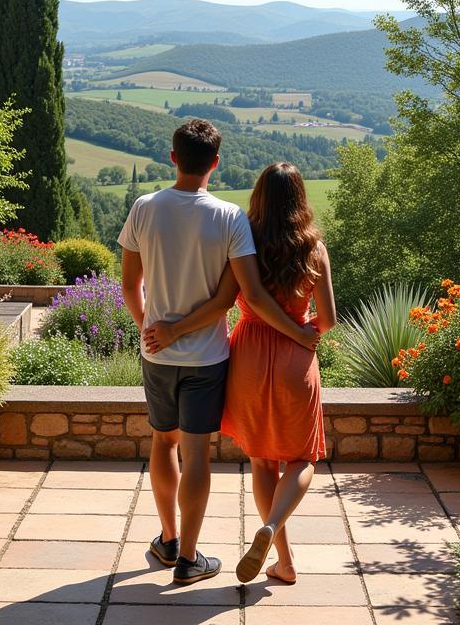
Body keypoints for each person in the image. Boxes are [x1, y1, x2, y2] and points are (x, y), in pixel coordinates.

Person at [119, 122, 319, 587]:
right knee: (197, 455)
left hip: (158, 359)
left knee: (162, 443)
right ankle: (189, 559)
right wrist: (293, 329)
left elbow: (130, 284)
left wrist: (152, 329)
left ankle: (167, 540)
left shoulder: (144, 208)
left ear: (173, 158)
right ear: (215, 163)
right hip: (208, 358)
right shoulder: (229, 218)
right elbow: (240, 296)